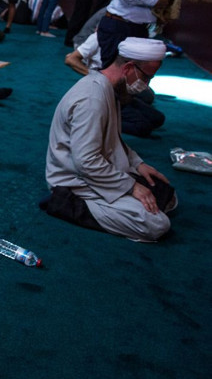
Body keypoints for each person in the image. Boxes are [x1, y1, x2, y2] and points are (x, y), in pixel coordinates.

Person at [44, 37, 176, 241]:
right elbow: (86, 162)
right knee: (156, 224)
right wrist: (131, 186)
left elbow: (112, 140)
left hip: (99, 170)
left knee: (169, 197)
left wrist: (138, 164)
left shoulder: (109, 87)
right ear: (129, 68)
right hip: (75, 180)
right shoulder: (92, 99)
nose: (147, 85)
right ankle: (67, 204)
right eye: (147, 78)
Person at [64, 32, 165, 138]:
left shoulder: (128, 40)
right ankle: (107, 120)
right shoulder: (93, 98)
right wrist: (96, 76)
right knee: (142, 127)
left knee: (156, 115)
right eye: (145, 77)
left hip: (118, 88)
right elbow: (70, 59)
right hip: (106, 87)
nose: (146, 83)